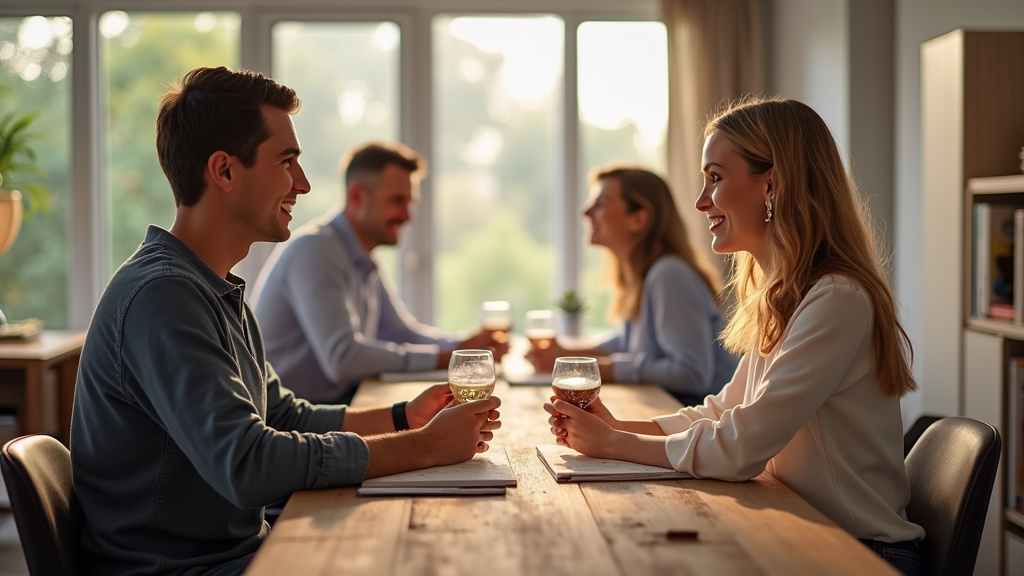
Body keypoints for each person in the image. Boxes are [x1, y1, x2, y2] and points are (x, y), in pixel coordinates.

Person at [71, 66, 501, 576]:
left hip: (236, 553)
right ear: (225, 171)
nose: (303, 183)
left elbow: (284, 416)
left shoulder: (214, 289)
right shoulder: (162, 295)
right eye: (287, 161)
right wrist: (424, 446)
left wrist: (406, 416)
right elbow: (248, 464)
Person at [543, 97, 924, 576]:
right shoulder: (787, 296)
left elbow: (742, 450)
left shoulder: (837, 298)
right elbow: (724, 412)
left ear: (772, 183)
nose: (702, 201)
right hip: (808, 535)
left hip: (862, 554)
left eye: (716, 178)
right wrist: (618, 428)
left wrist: (614, 445)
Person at [251, 142, 508, 404]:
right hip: (292, 428)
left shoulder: (362, 256)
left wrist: (463, 346)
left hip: (332, 412)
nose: (408, 216)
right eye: (398, 200)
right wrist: (447, 357)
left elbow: (401, 334)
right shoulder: (316, 249)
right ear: (357, 196)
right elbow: (343, 358)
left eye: (410, 202)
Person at [527, 165, 737, 406]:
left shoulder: (669, 275)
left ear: (638, 219)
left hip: (698, 427)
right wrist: (567, 354)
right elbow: (628, 343)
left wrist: (600, 370)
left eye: (601, 204)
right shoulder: (644, 274)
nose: (585, 212)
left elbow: (692, 374)